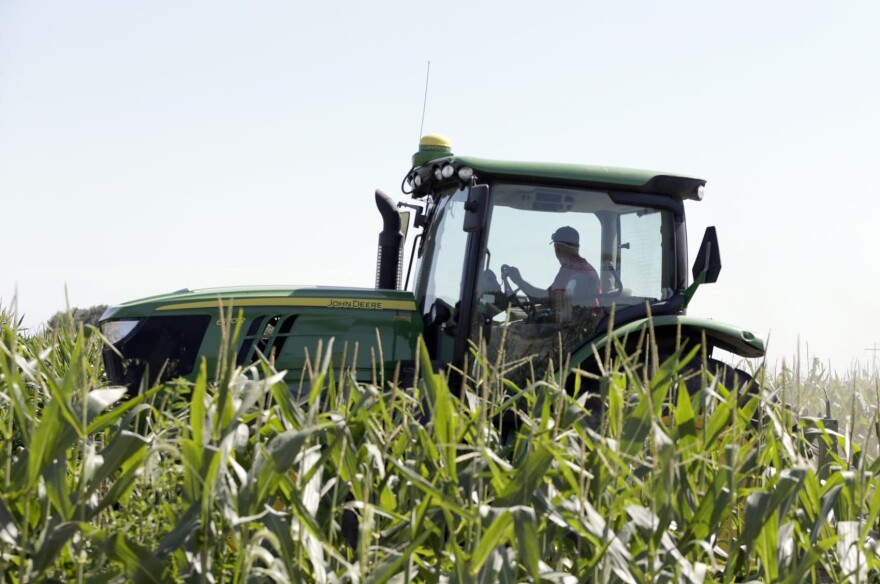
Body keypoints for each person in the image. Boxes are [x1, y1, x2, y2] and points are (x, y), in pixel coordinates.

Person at [501, 226, 599, 321]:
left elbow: (543, 298)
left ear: (557, 248)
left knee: (510, 330)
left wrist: (518, 280)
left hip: (568, 328)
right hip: (584, 324)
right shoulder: (588, 269)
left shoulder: (569, 270)